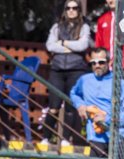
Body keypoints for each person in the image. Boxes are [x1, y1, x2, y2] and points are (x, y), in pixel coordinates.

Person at [40, 2, 90, 145]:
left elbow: (83, 45)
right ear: (65, 10)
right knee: (54, 105)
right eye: (68, 8)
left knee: (70, 106)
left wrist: (62, 43)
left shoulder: (84, 27)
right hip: (57, 69)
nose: (71, 11)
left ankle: (66, 139)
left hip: (76, 69)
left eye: (74, 8)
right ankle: (46, 138)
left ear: (79, 10)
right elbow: (50, 45)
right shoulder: (57, 27)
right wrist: (71, 45)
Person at [93, 0, 124, 71]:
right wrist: (100, 62)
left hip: (122, 67)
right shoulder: (102, 20)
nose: (110, 0)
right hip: (105, 67)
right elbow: (98, 44)